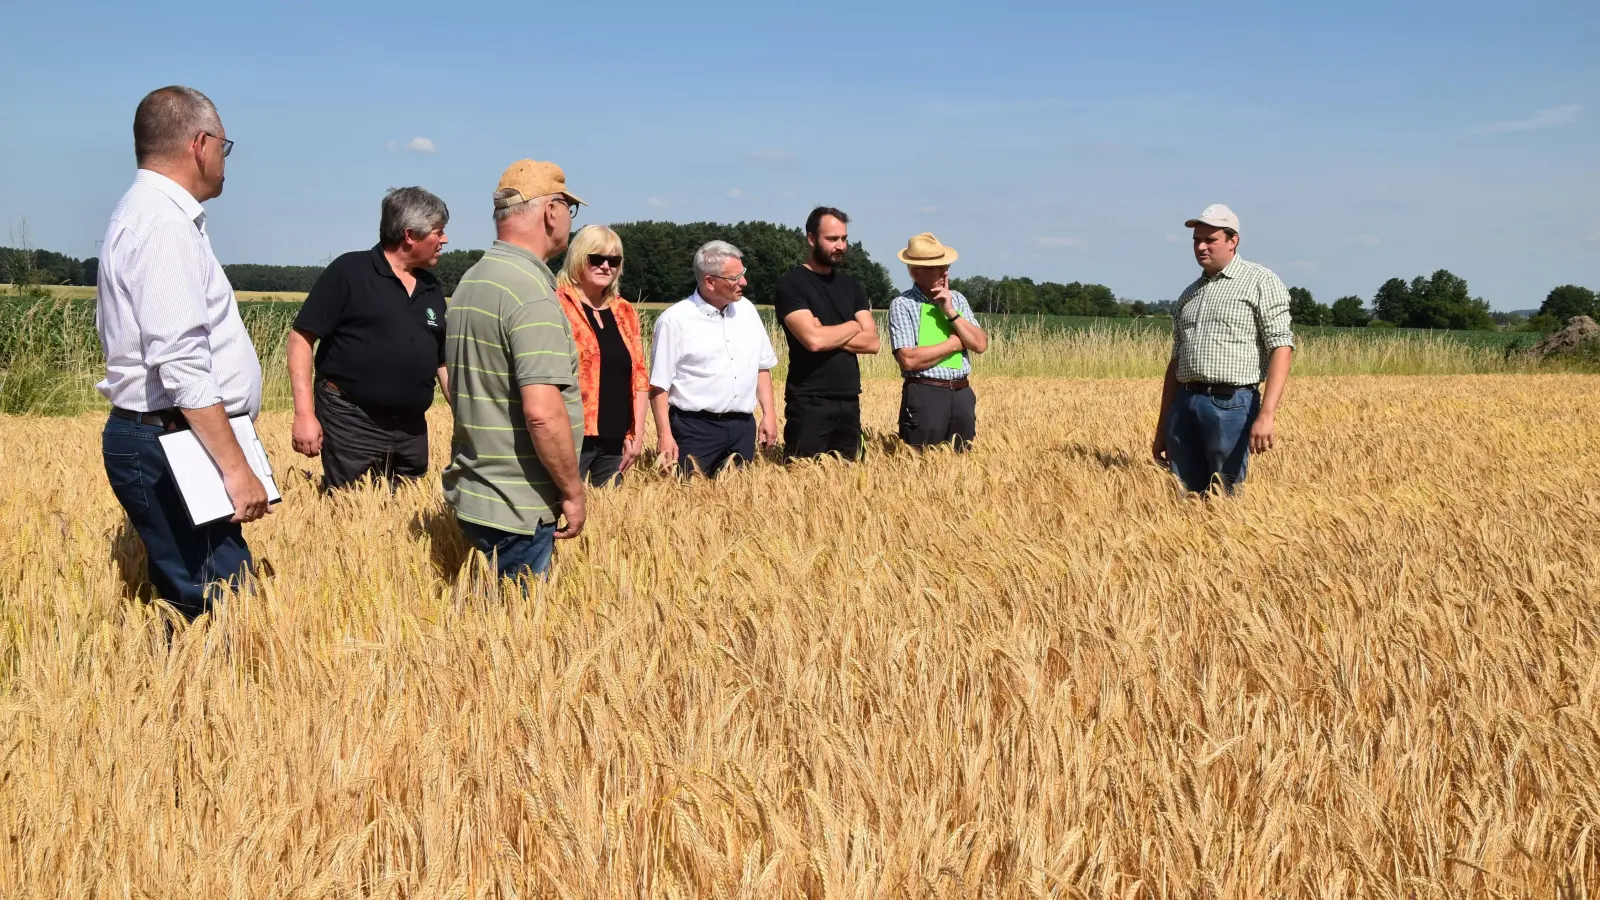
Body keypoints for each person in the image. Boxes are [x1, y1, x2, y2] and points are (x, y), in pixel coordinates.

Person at [96, 85, 271, 621]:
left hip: (169, 433)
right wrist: (236, 467)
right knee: (219, 606)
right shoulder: (164, 224)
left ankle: (194, 699)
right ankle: (204, 705)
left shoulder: (151, 213)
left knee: (204, 599)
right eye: (225, 145)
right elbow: (181, 363)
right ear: (200, 144)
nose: (225, 159)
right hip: (170, 437)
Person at [442, 160, 586, 581]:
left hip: (478, 489)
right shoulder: (531, 294)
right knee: (516, 633)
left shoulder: (475, 279)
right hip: (518, 505)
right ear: (551, 211)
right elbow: (542, 411)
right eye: (568, 208)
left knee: (487, 624)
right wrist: (572, 491)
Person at [287, 187, 450, 489]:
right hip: (352, 421)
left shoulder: (431, 287)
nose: (444, 240)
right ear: (410, 235)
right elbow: (300, 339)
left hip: (411, 429)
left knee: (404, 520)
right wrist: (304, 414)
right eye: (438, 232)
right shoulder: (349, 272)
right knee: (350, 517)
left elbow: (443, 361)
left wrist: (466, 419)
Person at [1152, 204, 1295, 494]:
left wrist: (1266, 414)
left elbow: (1281, 346)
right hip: (1185, 403)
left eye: (1210, 240)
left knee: (1226, 496)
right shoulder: (1190, 293)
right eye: (1196, 241)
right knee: (1184, 497)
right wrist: (1163, 427)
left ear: (1233, 241)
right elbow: (1176, 362)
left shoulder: (1260, 281)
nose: (1201, 247)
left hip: (1231, 405)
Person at [649, 241, 779, 477]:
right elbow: (659, 385)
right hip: (695, 429)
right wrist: (664, 435)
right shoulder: (674, 320)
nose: (744, 282)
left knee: (739, 504)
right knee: (689, 502)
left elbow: (762, 366)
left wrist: (769, 414)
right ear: (710, 281)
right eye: (735, 277)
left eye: (743, 274)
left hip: (742, 428)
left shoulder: (747, 311)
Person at [775, 206, 880, 461]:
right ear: (811, 239)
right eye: (832, 239)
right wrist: (854, 326)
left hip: (849, 398)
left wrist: (829, 333)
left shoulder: (852, 286)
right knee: (804, 482)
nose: (840, 246)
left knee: (848, 485)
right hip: (809, 400)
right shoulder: (792, 284)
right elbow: (813, 341)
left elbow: (873, 342)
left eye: (844, 239)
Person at [554, 225, 649, 486]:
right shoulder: (556, 305)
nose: (606, 266)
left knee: (609, 519)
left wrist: (636, 434)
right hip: (570, 436)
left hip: (615, 440)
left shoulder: (625, 311)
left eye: (614, 261)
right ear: (578, 259)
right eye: (596, 259)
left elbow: (640, 377)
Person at [887, 233, 988, 450]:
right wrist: (956, 342)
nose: (945, 271)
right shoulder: (902, 304)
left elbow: (980, 344)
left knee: (960, 465)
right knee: (921, 465)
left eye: (946, 265)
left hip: (962, 393)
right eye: (936, 267)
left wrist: (950, 311)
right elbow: (909, 360)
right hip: (926, 394)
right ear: (915, 272)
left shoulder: (958, 299)